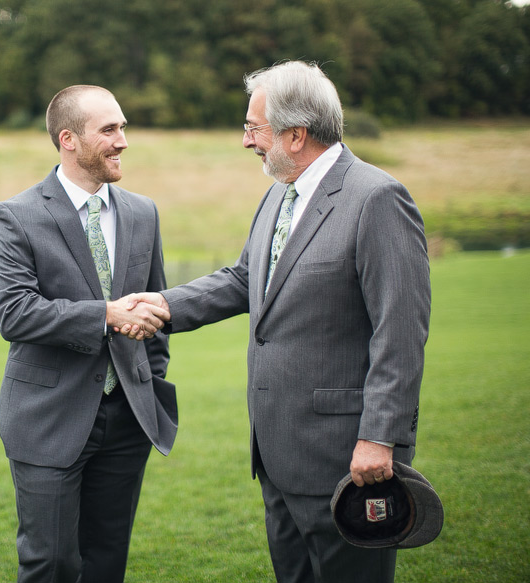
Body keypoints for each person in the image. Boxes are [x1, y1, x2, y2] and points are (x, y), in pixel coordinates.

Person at [123, 61, 431, 583]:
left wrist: (380, 438)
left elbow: (399, 332)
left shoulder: (377, 199)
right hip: (278, 456)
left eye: (253, 128)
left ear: (295, 134)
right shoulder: (278, 194)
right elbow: (246, 279)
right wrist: (164, 306)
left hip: (346, 457)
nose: (247, 141)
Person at [0, 85, 177, 583]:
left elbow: (155, 308)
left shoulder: (143, 212)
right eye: (110, 130)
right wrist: (106, 315)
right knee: (51, 563)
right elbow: (14, 313)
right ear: (68, 139)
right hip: (47, 418)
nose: (123, 141)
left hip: (128, 419)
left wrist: (149, 382)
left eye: (124, 128)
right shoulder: (17, 215)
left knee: (106, 561)